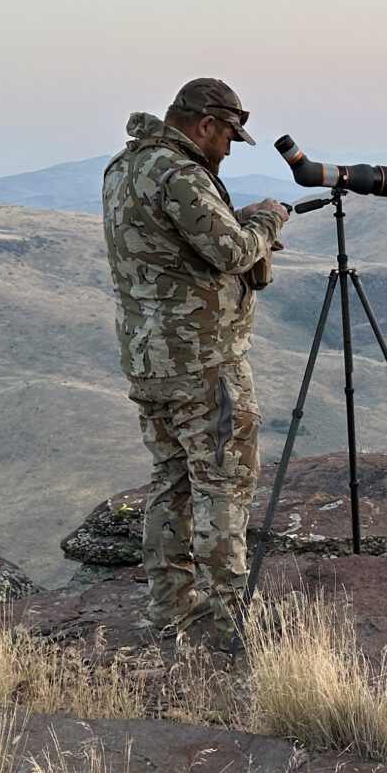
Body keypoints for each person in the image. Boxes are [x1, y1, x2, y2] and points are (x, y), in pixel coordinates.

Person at [101, 77, 291, 648]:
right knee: (223, 485)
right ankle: (233, 620)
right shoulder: (179, 175)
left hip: (149, 361)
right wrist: (266, 219)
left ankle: (170, 606)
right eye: (229, 136)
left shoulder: (124, 167)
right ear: (206, 125)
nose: (229, 148)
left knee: (171, 481)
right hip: (202, 362)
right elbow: (231, 251)